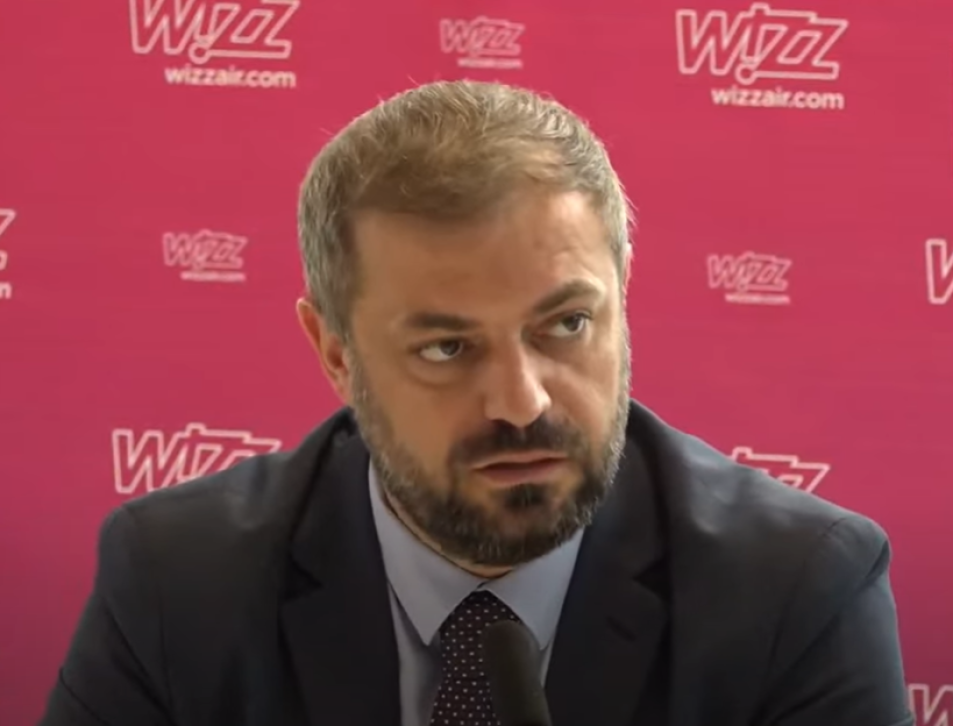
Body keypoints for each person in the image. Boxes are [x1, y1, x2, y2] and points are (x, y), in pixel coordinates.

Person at [38, 80, 912, 726]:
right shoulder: (179, 581)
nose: (521, 403)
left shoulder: (793, 588)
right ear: (336, 353)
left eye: (565, 325)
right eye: (446, 348)